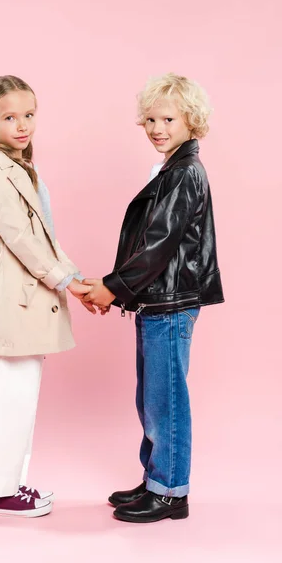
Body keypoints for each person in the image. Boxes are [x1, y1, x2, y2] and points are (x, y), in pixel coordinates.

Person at [0, 75, 96, 518]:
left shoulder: (14, 167)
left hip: (15, 298)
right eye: (10, 117)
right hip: (8, 299)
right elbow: (23, 238)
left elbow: (42, 235)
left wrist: (75, 278)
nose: (23, 125)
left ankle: (4, 484)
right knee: (3, 393)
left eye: (29, 115)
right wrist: (68, 281)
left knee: (10, 393)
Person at [83, 73, 224, 523]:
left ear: (191, 120)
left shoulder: (184, 172)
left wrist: (112, 287)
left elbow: (158, 244)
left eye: (168, 118)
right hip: (157, 302)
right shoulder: (171, 169)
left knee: (166, 400)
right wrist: (123, 290)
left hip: (171, 303)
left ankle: (170, 493)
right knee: (151, 398)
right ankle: (155, 479)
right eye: (149, 119)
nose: (157, 128)